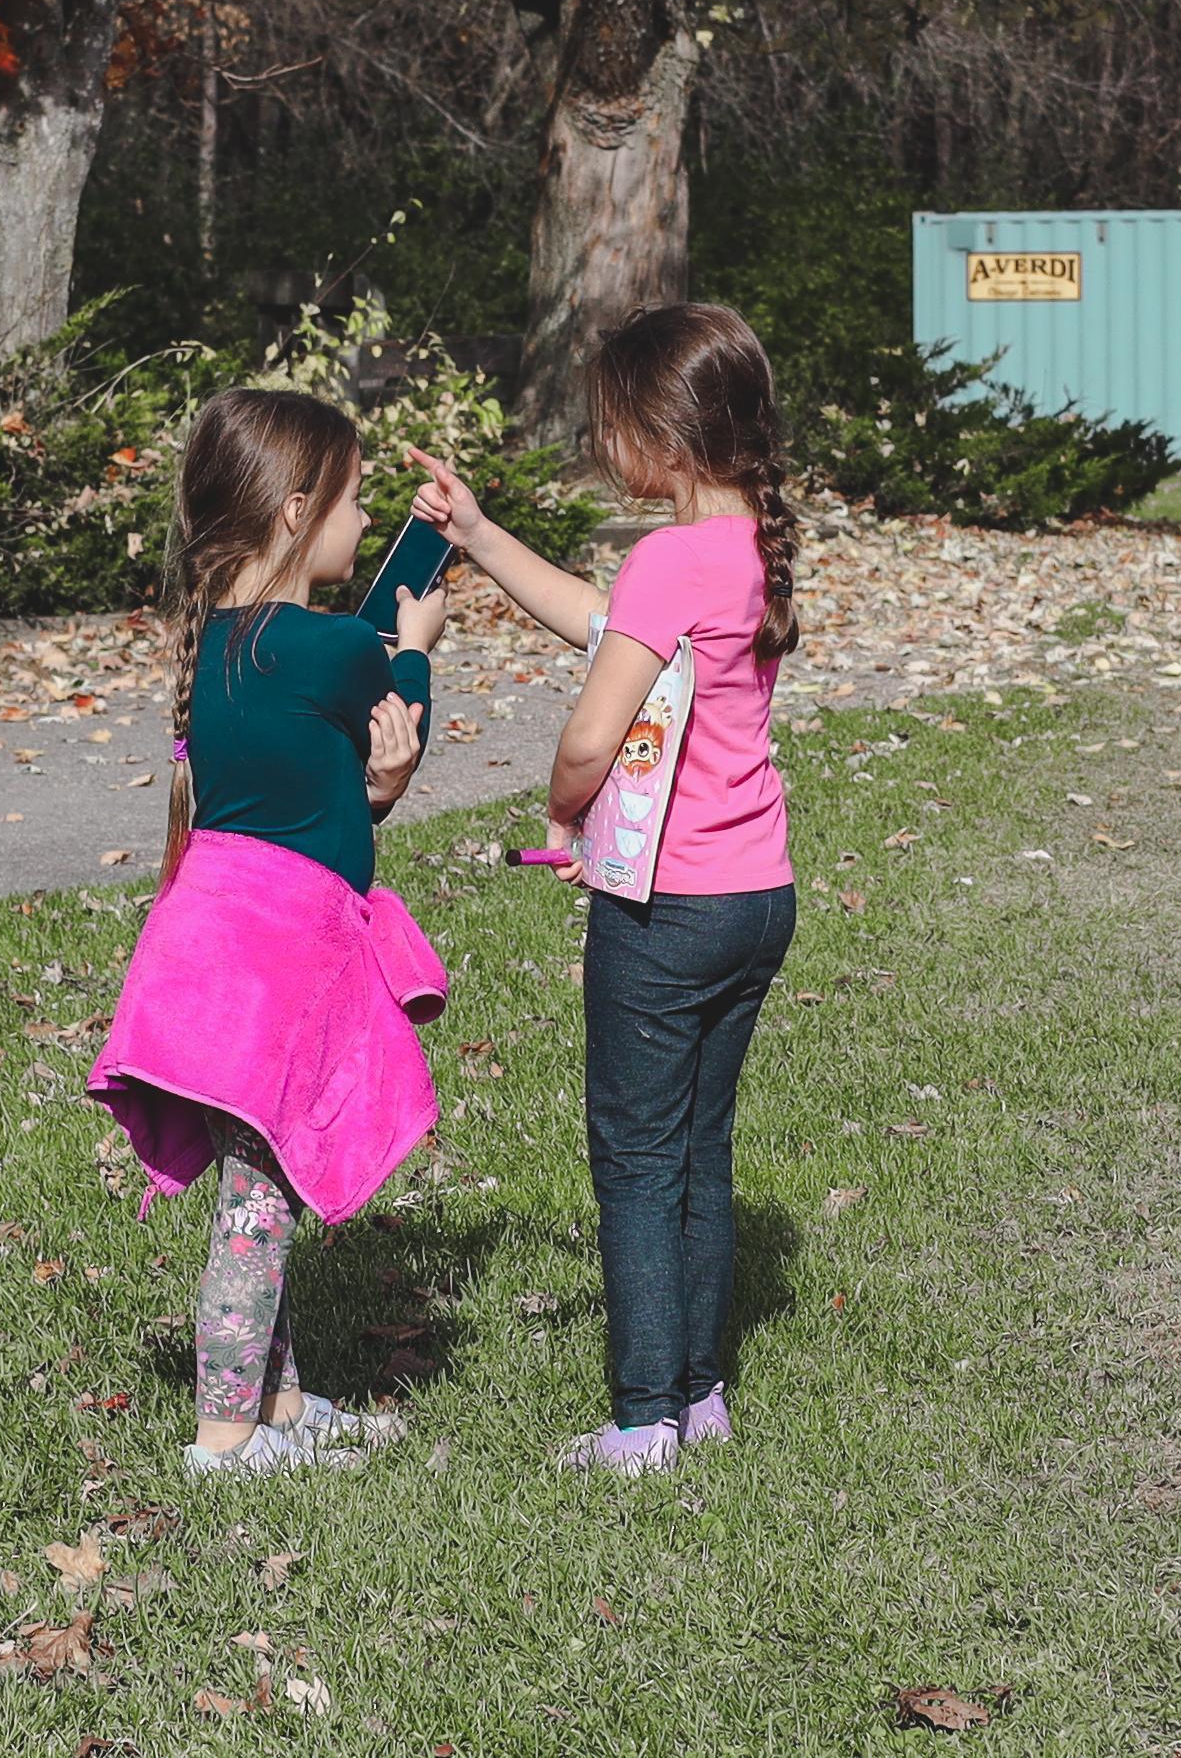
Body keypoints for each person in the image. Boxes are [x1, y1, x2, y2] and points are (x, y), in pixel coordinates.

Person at [408, 303, 808, 1476]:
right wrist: (477, 534)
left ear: (662, 434)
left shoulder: (668, 556)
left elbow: (591, 733)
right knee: (698, 1146)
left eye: (612, 424)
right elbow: (602, 624)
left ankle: (641, 1424)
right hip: (756, 897)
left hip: (665, 910)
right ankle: (698, 1391)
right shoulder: (747, 548)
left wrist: (562, 806)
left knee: (634, 1157)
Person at [81, 386, 448, 1478]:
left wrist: (377, 790)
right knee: (256, 1201)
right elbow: (397, 718)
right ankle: (225, 1438)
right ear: (295, 512)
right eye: (349, 502)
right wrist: (416, 647)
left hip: (210, 950)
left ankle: (281, 1408)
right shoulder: (338, 651)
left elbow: (326, 798)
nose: (357, 522)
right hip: (278, 965)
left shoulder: (217, 646)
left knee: (266, 1174)